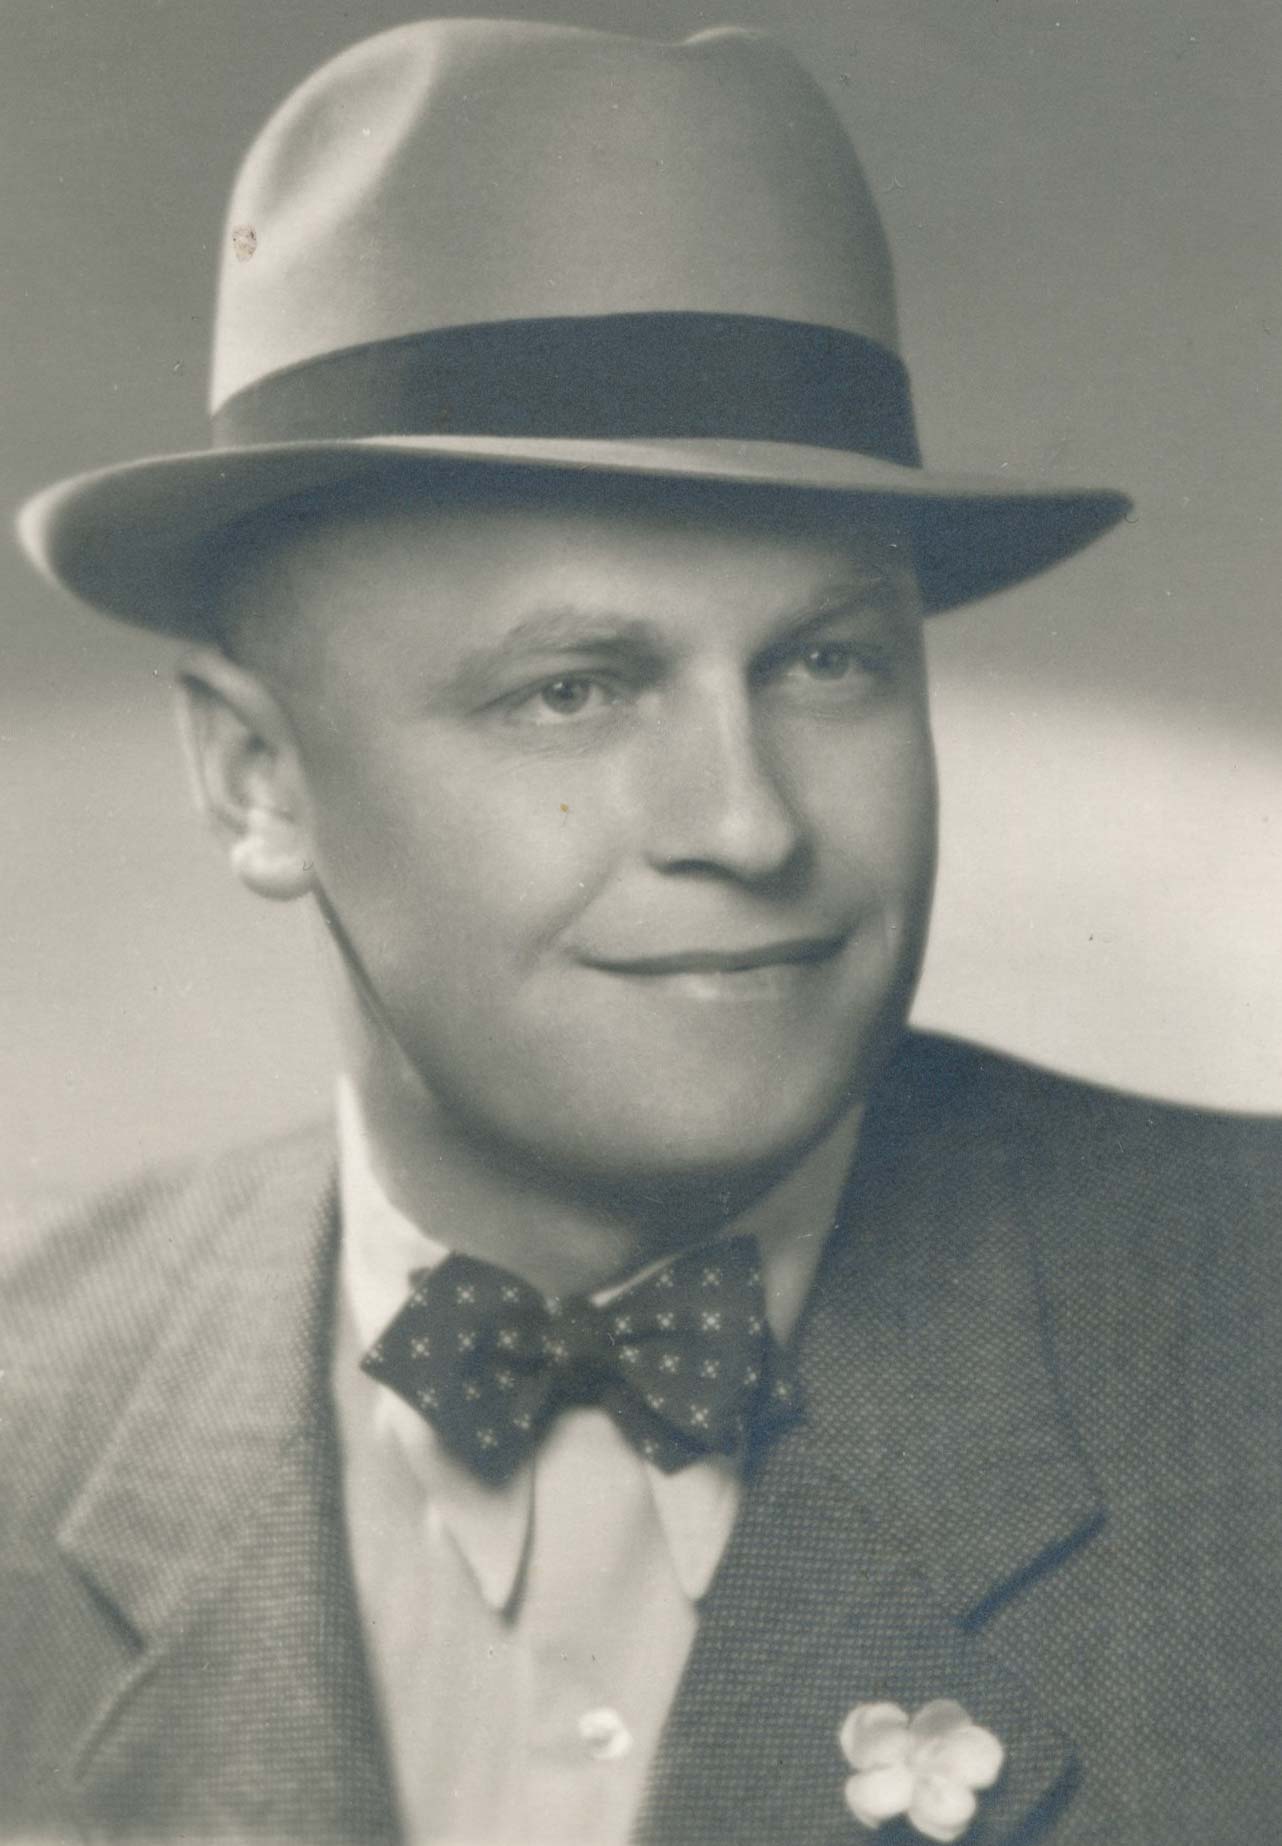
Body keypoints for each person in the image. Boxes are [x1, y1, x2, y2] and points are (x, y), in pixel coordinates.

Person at [3, 19, 1279, 1846]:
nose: (748, 824)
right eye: (573, 691)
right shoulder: (28, 1402)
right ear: (257, 778)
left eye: (826, 662)